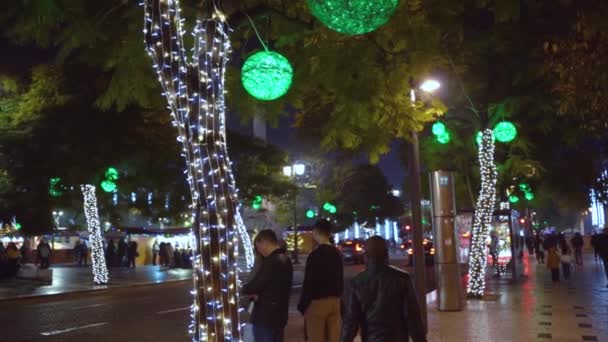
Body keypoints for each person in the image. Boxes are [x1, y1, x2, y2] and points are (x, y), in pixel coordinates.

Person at [341, 236, 426, 342]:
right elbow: (413, 318)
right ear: (386, 254)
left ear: (365, 256)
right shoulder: (402, 279)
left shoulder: (357, 282)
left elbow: (351, 322)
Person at [243, 229, 293, 342]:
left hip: (265, 317)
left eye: (258, 246)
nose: (259, 250)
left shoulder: (271, 261)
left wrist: (245, 289)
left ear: (264, 242)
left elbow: (257, 284)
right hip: (280, 315)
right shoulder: (286, 259)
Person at [298, 219, 344, 342]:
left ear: (316, 232)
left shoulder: (315, 255)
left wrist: (303, 305)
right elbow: (340, 279)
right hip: (335, 301)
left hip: (317, 303)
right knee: (334, 338)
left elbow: (309, 282)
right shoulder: (337, 253)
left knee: (316, 338)